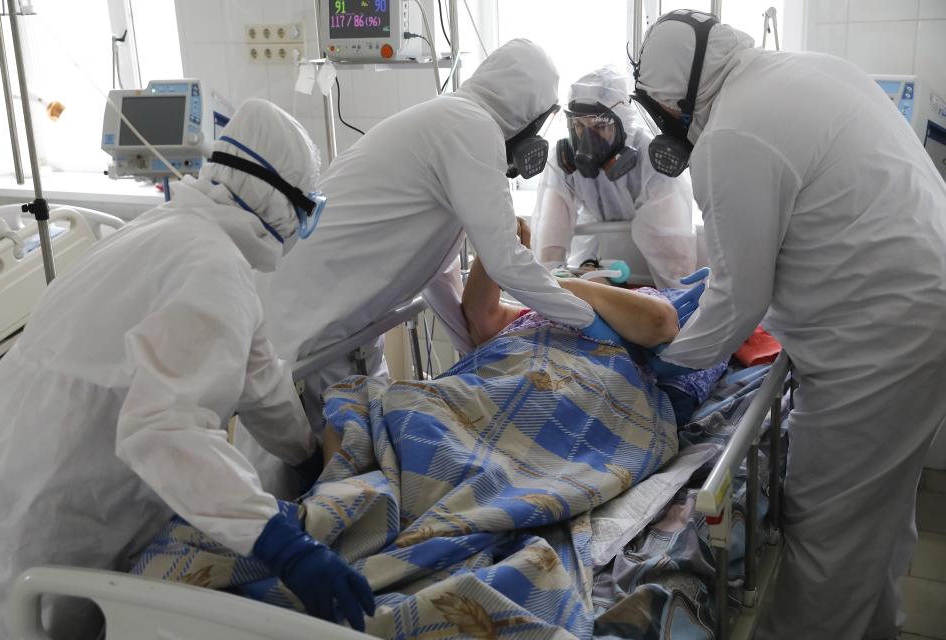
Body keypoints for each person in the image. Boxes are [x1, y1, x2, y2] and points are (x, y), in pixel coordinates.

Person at [0, 99, 372, 639]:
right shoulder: (209, 267)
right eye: (305, 213)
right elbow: (165, 430)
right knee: (30, 621)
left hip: (16, 452)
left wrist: (308, 454)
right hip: (47, 507)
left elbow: (259, 380)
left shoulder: (177, 233)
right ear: (282, 204)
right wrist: (282, 543)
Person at [631, 9, 946, 639]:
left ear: (674, 100)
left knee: (828, 530)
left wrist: (663, 363)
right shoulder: (809, 71)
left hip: (878, 341)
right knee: (876, 515)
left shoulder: (731, 137)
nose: (664, 126)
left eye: (660, 111)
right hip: (916, 308)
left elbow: (735, 300)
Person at [259, 38, 596, 431]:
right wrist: (592, 323)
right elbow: (507, 262)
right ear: (528, 115)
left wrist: (474, 353)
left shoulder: (454, 121)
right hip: (310, 328)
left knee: (359, 454)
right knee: (296, 467)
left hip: (345, 329)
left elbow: (438, 274)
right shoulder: (471, 127)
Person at [531, 66, 698, 288]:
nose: (588, 138)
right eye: (579, 125)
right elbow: (550, 243)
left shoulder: (651, 159)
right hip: (595, 258)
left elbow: (674, 257)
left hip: (649, 267)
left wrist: (676, 301)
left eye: (600, 126)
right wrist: (549, 292)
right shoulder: (564, 161)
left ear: (622, 125)